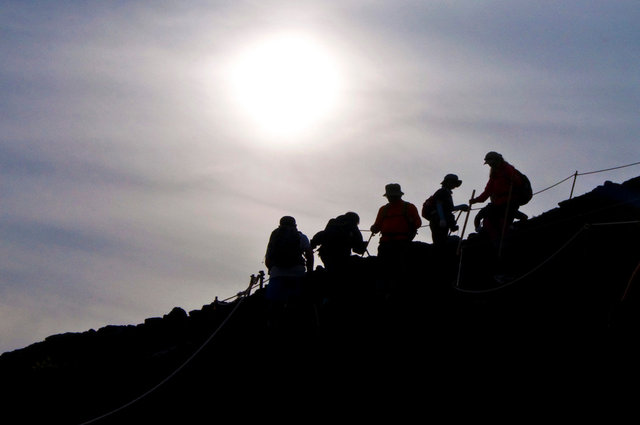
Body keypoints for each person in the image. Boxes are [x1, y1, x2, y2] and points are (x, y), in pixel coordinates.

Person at [469, 151, 527, 247]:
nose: (490, 165)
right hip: (499, 203)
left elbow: (518, 182)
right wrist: (476, 200)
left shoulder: (508, 169)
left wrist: (512, 182)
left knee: (499, 220)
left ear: (496, 160)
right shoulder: (494, 176)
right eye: (489, 163)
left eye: (491, 162)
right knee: (490, 220)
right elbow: (487, 192)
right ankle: (498, 241)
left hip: (510, 201)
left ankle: (505, 241)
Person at [264, 216, 314, 309]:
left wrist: (271, 269)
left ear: (280, 225)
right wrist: (310, 271)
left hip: (277, 274)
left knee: (275, 305)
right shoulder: (301, 237)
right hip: (297, 274)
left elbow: (268, 259)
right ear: (295, 225)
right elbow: (310, 255)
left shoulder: (275, 237)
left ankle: (273, 322)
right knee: (295, 304)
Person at [370, 183, 422, 261]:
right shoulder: (408, 207)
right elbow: (418, 223)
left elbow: (418, 223)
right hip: (390, 243)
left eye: (392, 196)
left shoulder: (408, 207)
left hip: (399, 243)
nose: (390, 198)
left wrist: (374, 228)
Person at [424, 174, 469, 251]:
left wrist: (461, 207)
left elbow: (448, 209)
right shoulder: (443, 192)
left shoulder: (446, 193)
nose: (454, 185)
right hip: (438, 221)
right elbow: (439, 205)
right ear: (448, 182)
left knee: (441, 241)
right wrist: (442, 219)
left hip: (438, 221)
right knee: (439, 242)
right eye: (453, 183)